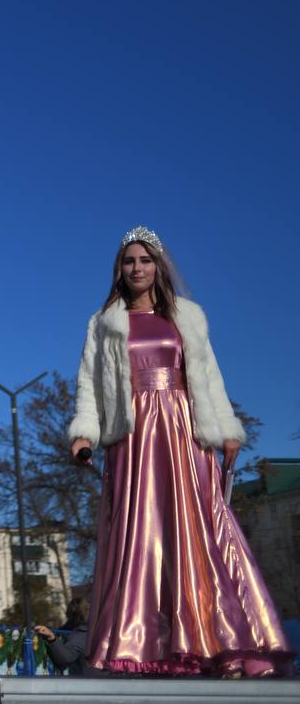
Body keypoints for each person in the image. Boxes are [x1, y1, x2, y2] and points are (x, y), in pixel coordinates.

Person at [68, 226, 291, 677]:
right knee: (142, 535)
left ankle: (210, 638)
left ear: (158, 267)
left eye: (145, 260)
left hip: (184, 431)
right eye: (129, 261)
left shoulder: (186, 316)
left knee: (196, 531)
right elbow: (90, 386)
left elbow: (207, 376)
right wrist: (84, 433)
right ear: (119, 269)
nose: (137, 268)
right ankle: (142, 640)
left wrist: (227, 429)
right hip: (134, 436)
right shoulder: (105, 322)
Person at [34, 596, 93, 676]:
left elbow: (65, 658)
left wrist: (52, 638)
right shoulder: (72, 629)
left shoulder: (82, 633)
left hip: (86, 682)